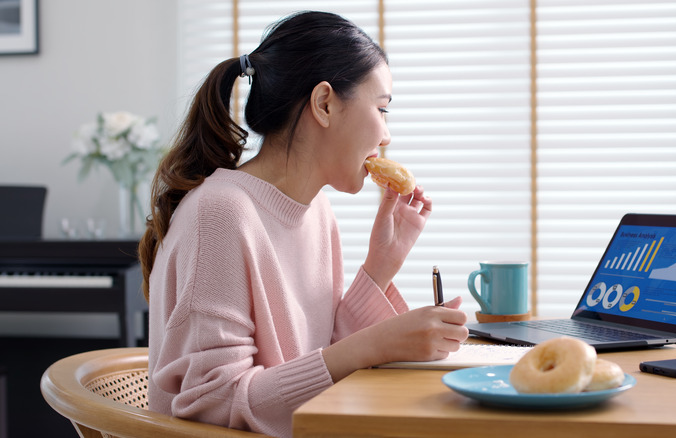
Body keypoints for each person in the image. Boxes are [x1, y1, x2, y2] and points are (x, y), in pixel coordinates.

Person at [137, 10, 469, 438]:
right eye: (382, 109)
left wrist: (380, 266)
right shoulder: (219, 215)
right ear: (325, 103)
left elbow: (317, 362)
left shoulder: (316, 212)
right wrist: (376, 343)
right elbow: (210, 404)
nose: (386, 135)